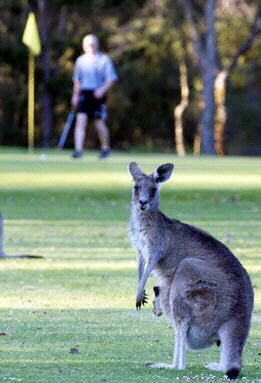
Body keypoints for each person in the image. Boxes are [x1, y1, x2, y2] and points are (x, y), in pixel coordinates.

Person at [71, 34, 118, 159]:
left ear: (97, 45)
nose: (90, 47)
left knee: (99, 123)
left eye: (93, 44)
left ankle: (105, 148)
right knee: (81, 120)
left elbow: (110, 79)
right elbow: (77, 81)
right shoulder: (80, 60)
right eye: (88, 45)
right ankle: (78, 150)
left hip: (98, 94)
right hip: (84, 93)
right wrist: (75, 95)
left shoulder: (104, 59)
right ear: (84, 46)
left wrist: (102, 90)